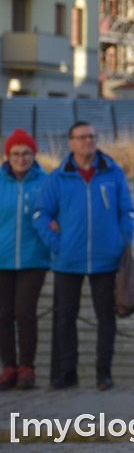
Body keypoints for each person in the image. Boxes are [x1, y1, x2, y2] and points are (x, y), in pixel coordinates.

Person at [33, 121, 134, 391]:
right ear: (71, 142)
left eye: (91, 137)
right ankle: (68, 372)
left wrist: (121, 241)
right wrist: (57, 243)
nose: (87, 142)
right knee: (66, 316)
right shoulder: (58, 176)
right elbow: (41, 214)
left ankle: (104, 372)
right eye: (81, 137)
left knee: (106, 315)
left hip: (106, 259)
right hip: (68, 260)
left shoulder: (113, 172)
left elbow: (128, 211)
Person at [0, 129, 49, 390]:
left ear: (33, 155)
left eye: (26, 153)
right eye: (16, 154)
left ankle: (27, 368)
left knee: (24, 313)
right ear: (8, 156)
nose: (21, 158)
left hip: (34, 259)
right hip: (2, 259)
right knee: (3, 314)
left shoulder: (45, 181)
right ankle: (8, 367)